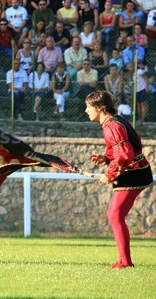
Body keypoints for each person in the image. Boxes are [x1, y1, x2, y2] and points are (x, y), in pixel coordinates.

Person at [85, 90, 153, 269]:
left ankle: (125, 262)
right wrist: (106, 158)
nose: (86, 110)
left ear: (99, 108)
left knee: (115, 215)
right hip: (136, 170)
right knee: (115, 215)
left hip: (133, 173)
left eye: (88, 107)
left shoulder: (111, 126)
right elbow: (126, 148)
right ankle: (124, 260)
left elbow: (125, 155)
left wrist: (110, 174)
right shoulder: (117, 120)